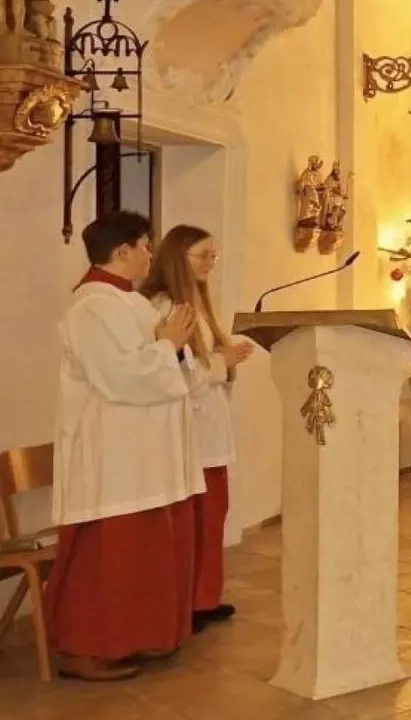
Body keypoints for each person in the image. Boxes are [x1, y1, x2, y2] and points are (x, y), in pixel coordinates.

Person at [45, 211, 204, 680]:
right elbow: (121, 379)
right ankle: (86, 646)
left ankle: (137, 635)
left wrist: (174, 348)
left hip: (145, 454)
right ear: (122, 252)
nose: (149, 255)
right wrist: (167, 347)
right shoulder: (91, 307)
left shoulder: (129, 303)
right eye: (145, 246)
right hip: (111, 455)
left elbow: (169, 369)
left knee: (144, 553)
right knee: (107, 557)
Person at [141, 226, 254, 633]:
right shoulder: (165, 306)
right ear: (177, 257)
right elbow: (177, 375)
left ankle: (204, 596)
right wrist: (223, 361)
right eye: (202, 255)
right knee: (195, 520)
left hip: (210, 430)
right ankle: (186, 602)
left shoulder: (198, 304)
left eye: (213, 256)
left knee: (212, 516)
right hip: (187, 431)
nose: (209, 263)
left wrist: (226, 359)